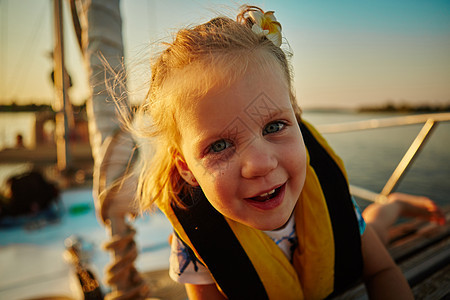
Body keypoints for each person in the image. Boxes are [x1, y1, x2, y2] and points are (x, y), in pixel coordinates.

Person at [131, 5, 414, 299]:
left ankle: (394, 206)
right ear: (187, 168)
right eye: (219, 145)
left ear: (297, 117)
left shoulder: (327, 190)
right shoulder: (197, 238)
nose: (260, 164)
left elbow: (382, 270)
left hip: (340, 260)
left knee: (375, 228)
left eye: (274, 126)